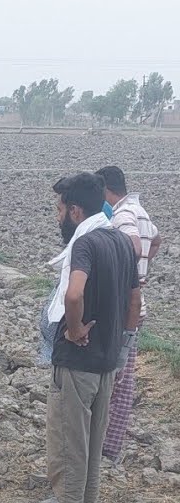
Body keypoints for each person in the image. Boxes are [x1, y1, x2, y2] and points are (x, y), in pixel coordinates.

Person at [29, 172, 141, 503]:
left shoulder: (85, 244)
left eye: (59, 210)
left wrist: (75, 329)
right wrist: (122, 347)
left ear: (75, 211)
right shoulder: (121, 241)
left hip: (76, 362)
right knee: (91, 446)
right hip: (107, 361)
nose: (57, 216)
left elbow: (74, 293)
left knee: (68, 443)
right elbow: (135, 300)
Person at [96, 166, 157, 466]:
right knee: (122, 375)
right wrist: (142, 271)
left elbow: (132, 244)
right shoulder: (140, 211)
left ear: (106, 190)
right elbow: (155, 240)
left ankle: (107, 447)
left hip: (125, 308)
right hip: (136, 304)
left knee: (118, 379)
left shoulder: (123, 215)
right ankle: (107, 444)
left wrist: (125, 276)